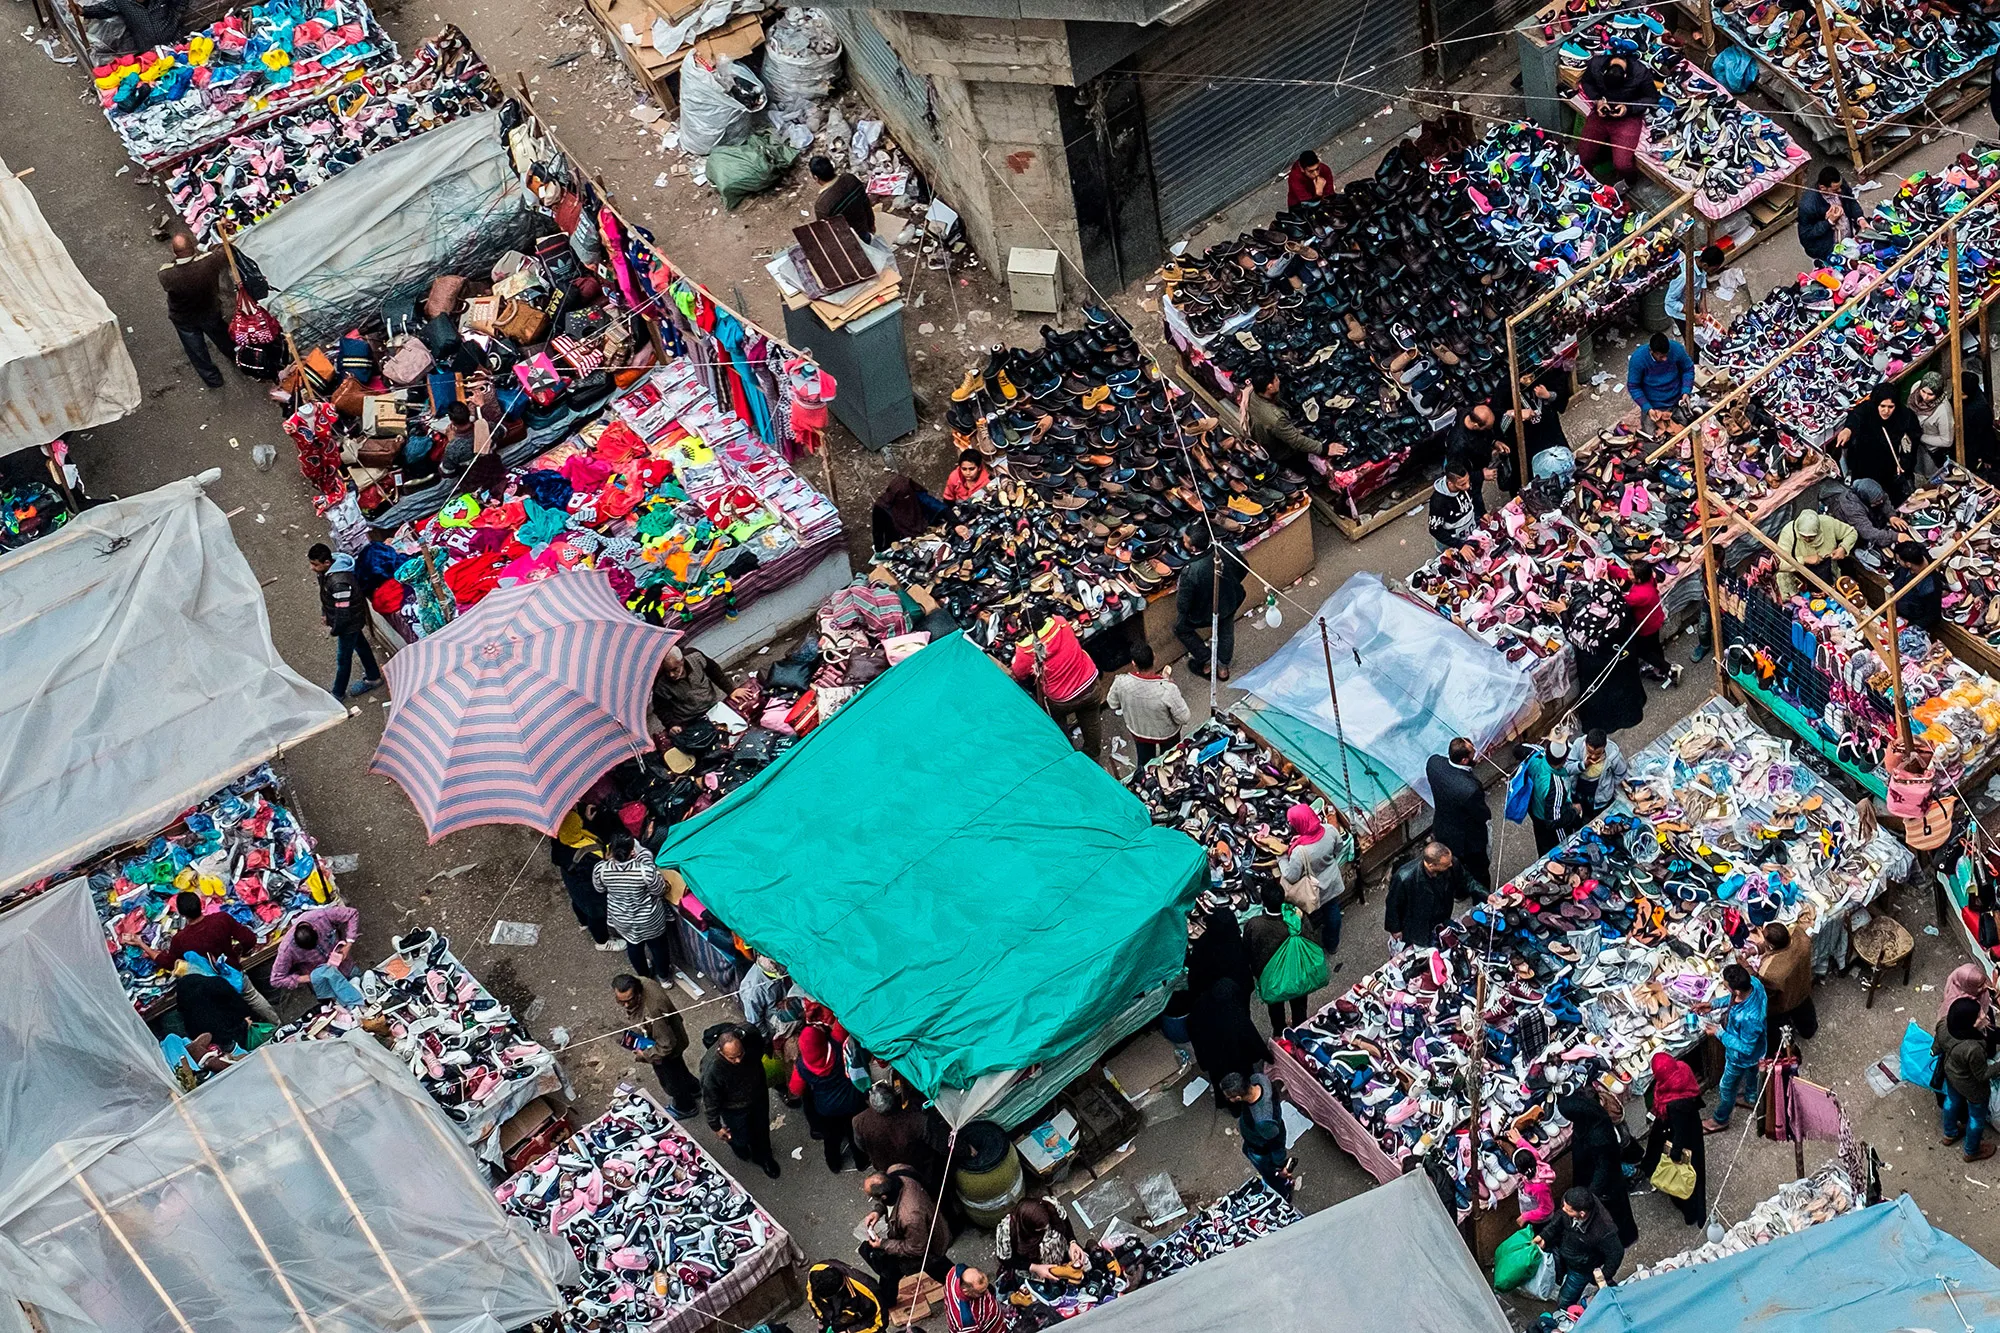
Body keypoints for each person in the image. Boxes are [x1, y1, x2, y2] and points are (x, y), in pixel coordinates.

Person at [1009, 615, 1105, 757]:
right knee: (1092, 722)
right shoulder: (1061, 623)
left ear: (1027, 629)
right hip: (1089, 685)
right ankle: (1093, 754)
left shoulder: (1026, 650)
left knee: (1058, 726)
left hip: (1062, 699)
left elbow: (1019, 673)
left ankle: (1068, 754)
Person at [1556, 1085, 1636, 1248]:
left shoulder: (1600, 1135)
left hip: (1606, 1185)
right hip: (1587, 1170)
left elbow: (1603, 1170)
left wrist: (1589, 1195)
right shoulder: (1588, 1119)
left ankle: (1621, 1240)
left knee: (1612, 1215)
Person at [614, 972, 700, 1116]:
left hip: (667, 1048)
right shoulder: (642, 981)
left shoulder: (652, 1012)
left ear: (638, 992)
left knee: (671, 1080)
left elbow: (666, 1046)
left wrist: (645, 1055)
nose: (626, 1005)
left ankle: (686, 1107)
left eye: (629, 1000)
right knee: (680, 1069)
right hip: (673, 1034)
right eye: (621, 1001)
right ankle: (695, 1088)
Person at [859, 1166, 953, 1299]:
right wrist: (878, 1211)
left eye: (872, 1197)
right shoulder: (898, 1173)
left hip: (927, 1249)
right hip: (923, 1231)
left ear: (883, 1196)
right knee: (890, 1274)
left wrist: (883, 1244)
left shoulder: (909, 1217)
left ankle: (965, 1286)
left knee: (940, 1269)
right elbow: (889, 1201)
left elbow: (916, 1248)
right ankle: (888, 1299)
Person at [158, 230, 234, 388]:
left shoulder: (166, 274)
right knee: (222, 337)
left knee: (196, 351)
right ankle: (237, 358)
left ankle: (213, 380)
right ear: (192, 247)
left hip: (183, 318)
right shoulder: (209, 262)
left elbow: (170, 277)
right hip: (210, 310)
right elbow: (224, 250)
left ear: (174, 252)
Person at [1639, 1052, 1708, 1226]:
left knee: (1683, 1174)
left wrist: (1675, 1153)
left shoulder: (1674, 1104)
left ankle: (1688, 1209)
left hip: (1680, 1137)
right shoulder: (1682, 1070)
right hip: (1693, 1128)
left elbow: (1680, 1133)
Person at [791, 1022, 870, 1172]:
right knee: (854, 1133)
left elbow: (795, 1089)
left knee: (831, 1138)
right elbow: (841, 1021)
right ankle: (861, 1162)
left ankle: (834, 1165)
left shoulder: (801, 1066)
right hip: (851, 1101)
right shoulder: (836, 1044)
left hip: (826, 1108)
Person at [703, 1028, 780, 1178]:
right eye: (732, 1058)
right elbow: (710, 1100)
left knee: (762, 1131)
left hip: (758, 1098)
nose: (738, 1060)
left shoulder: (751, 1041)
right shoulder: (712, 1071)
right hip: (734, 1109)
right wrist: (716, 1126)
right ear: (721, 1052)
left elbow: (761, 1040)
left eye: (740, 1055)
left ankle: (764, 1158)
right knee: (740, 1137)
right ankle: (739, 1146)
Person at [1172, 530, 1249, 681]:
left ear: (1193, 548)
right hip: (1230, 600)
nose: (1184, 542)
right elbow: (1243, 568)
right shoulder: (1227, 550)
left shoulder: (1191, 571)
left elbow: (1182, 605)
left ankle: (1207, 659)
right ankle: (1222, 667)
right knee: (1226, 631)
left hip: (1205, 612)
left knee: (1181, 629)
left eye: (1186, 541)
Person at [1243, 881, 1318, 1034]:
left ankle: (1280, 1032)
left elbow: (1248, 952)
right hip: (1297, 974)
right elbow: (1310, 938)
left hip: (1271, 978)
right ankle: (1300, 1028)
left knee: (1275, 1007)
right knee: (1299, 1005)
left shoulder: (1254, 925)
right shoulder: (1296, 919)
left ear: (1263, 901)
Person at [310, 543, 382, 700]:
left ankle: (337, 693)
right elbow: (326, 596)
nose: (312, 568)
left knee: (343, 659)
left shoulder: (339, 583)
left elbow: (343, 613)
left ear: (327, 563)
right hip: (351, 622)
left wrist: (336, 629)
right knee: (361, 647)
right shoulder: (328, 573)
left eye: (315, 564)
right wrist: (325, 613)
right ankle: (373, 676)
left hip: (349, 625)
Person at [594, 835, 673, 980]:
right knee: (658, 946)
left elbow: (599, 889)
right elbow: (660, 890)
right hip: (649, 919)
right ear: (632, 852)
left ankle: (644, 977)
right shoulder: (645, 872)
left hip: (622, 919)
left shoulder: (601, 870)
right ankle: (664, 978)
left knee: (634, 945)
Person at [1700, 963, 1767, 1132]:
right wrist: (1713, 1005)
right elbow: (1734, 999)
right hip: (1759, 1048)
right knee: (1753, 1073)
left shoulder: (1749, 1018)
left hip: (1740, 1058)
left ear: (1736, 990)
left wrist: (1719, 1033)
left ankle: (1720, 1120)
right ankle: (1750, 1098)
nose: (1725, 987)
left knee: (1727, 1087)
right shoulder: (1753, 983)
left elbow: (1745, 1047)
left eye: (1726, 987)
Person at [1578, 44, 1659, 182]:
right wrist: (1598, 101)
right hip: (1601, 113)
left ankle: (1629, 182)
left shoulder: (1640, 72)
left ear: (1626, 76)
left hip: (1628, 117)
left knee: (1622, 164)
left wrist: (1628, 108)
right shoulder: (1596, 64)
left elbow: (1652, 98)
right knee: (1583, 156)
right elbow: (1586, 82)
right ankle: (1584, 182)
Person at [1935, 996, 2000, 1162]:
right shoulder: (1972, 1048)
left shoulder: (1944, 1025)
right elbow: (1982, 1075)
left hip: (1951, 1073)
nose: (1984, 1016)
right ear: (1969, 1024)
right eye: (1979, 1016)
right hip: (1972, 1087)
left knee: (1951, 1101)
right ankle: (1971, 1150)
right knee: (1977, 1118)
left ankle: (1949, 1133)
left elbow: (1936, 1047)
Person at [1535, 1187, 1625, 1307]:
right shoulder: (1573, 1204)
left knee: (1565, 1299)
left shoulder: (1604, 1230)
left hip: (1581, 1268)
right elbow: (1560, 1217)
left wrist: (1602, 1276)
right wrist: (1544, 1235)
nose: (1563, 1209)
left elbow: (1616, 1253)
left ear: (1581, 1214)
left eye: (1568, 1210)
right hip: (1566, 1251)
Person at [1835, 382, 1924, 500]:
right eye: (1882, 406)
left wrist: (1904, 462)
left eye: (1890, 407)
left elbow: (1913, 441)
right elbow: (1856, 416)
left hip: (1891, 467)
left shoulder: (1905, 417)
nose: (1886, 411)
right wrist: (1848, 429)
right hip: (1866, 463)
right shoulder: (1868, 409)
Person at [1105, 641, 1189, 766]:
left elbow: (1112, 703)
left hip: (1139, 732)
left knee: (1145, 763)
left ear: (1134, 663)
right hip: (1167, 734)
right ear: (1154, 658)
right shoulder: (1168, 689)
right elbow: (1184, 717)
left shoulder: (1120, 682)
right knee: (1171, 762)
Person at [1279, 802, 1347, 953]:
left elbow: (1291, 877)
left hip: (1314, 888)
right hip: (1332, 880)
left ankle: (1317, 946)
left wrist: (1281, 859)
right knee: (1333, 909)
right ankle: (1332, 944)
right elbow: (1339, 847)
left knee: (1319, 914)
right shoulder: (1330, 830)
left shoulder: (1299, 851)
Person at [1425, 737, 1491, 891]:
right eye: (1472, 754)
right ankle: (1482, 901)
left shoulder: (1434, 763)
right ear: (1463, 760)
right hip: (1468, 839)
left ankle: (1459, 890)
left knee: (1453, 865)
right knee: (1479, 871)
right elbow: (1482, 815)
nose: (1475, 754)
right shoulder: (1469, 789)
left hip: (1442, 828)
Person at [1220, 1070, 1295, 1201]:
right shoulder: (1260, 1080)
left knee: (1269, 1174)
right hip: (1255, 1137)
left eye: (1229, 1097)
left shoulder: (1263, 1121)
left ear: (1237, 1098)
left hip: (1260, 1149)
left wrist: (1280, 1166)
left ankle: (1284, 1193)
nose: (1228, 1099)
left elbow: (1276, 1145)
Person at [268, 903, 362, 1003]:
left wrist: (348, 944)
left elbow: (352, 913)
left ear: (315, 929)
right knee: (342, 1007)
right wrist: (309, 977)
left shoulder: (320, 916)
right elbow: (276, 979)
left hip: (347, 967)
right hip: (327, 983)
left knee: (361, 987)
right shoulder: (286, 950)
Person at [1384, 842, 1470, 950]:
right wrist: (1395, 929)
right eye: (1445, 865)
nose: (1451, 865)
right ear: (1432, 865)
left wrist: (1486, 896)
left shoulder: (1451, 863)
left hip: (1440, 916)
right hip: (1416, 923)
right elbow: (1393, 904)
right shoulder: (1404, 878)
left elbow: (1468, 881)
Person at [1186, 978, 1268, 1090]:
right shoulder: (1234, 1013)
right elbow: (1251, 1036)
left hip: (1215, 1061)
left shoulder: (1199, 1010)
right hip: (1238, 1058)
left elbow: (1197, 1040)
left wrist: (1204, 1063)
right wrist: (1264, 1054)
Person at [854, 1083, 939, 1189]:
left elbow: (861, 1146)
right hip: (917, 1168)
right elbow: (937, 1143)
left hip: (884, 1167)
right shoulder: (917, 1120)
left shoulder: (859, 1121)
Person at [552, 805, 614, 948]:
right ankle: (602, 942)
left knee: (577, 901)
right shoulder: (586, 854)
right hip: (589, 889)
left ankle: (582, 922)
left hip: (571, 880)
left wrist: (588, 820)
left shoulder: (559, 841)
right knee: (596, 914)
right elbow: (599, 871)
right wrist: (608, 860)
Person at [1754, 921, 1816, 1053]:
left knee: (1776, 1022)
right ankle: (1809, 1030)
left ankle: (1780, 1047)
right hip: (1802, 985)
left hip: (1785, 1001)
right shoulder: (1800, 936)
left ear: (1770, 946)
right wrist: (1756, 949)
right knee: (1805, 1011)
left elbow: (1763, 990)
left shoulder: (1771, 972)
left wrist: (1747, 968)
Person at [1244, 370, 1328, 467]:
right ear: (1270, 387)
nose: (1279, 381)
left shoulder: (1253, 394)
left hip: (1263, 434)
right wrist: (1324, 449)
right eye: (1276, 380)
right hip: (1281, 451)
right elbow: (1296, 441)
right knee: (1300, 462)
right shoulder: (1276, 418)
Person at [1773, 508, 1858, 599]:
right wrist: (1805, 559)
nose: (1807, 539)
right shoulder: (1788, 533)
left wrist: (1843, 548)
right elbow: (1779, 563)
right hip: (1799, 576)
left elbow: (1851, 533)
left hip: (1828, 571)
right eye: (1804, 536)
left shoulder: (1828, 523)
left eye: (1812, 537)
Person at [992, 1198, 1081, 1281]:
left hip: (1060, 1255)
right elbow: (1006, 1260)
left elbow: (1065, 1222)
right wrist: (1034, 1267)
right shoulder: (1007, 1230)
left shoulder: (1050, 1205)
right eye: (1041, 1228)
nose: (1046, 1228)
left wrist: (1072, 1242)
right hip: (1034, 1273)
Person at [1623, 561, 1680, 686]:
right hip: (1655, 619)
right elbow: (1625, 574)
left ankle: (1668, 668)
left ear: (1638, 579)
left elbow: (1624, 601)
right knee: (1654, 645)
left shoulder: (1640, 594)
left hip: (1646, 625)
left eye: (1631, 573)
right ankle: (1660, 670)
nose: (1628, 572)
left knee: (1641, 650)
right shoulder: (1648, 579)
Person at [652, 644, 734, 731]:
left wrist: (731, 690)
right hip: (689, 721)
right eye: (667, 671)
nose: (671, 675)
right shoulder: (661, 683)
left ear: (682, 661)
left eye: (674, 669)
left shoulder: (695, 657)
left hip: (713, 708)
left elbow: (714, 671)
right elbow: (661, 708)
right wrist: (672, 725)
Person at [1626, 333, 1694, 437]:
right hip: (1654, 405)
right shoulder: (1638, 359)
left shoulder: (1676, 349)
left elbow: (1688, 368)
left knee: (1686, 428)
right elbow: (1633, 386)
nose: (1665, 359)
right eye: (1661, 356)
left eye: (1666, 355)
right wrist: (1647, 408)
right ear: (1651, 351)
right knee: (1652, 436)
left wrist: (1685, 391)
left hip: (1676, 400)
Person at [1515, 738, 1574, 855]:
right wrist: (1574, 811)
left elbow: (1517, 749)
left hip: (1536, 813)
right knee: (1562, 848)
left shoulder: (1535, 755)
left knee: (1542, 844)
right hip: (1548, 821)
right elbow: (1553, 822)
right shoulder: (1556, 786)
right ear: (1564, 760)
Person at [1447, 402, 1505, 520]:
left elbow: (1485, 435)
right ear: (1476, 426)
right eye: (1486, 428)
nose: (1488, 430)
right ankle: (1479, 518)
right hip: (1471, 468)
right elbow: (1458, 476)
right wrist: (1481, 475)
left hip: (1479, 459)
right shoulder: (1458, 446)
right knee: (1473, 493)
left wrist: (1493, 442)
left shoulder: (1469, 412)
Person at [174, 972, 255, 1051]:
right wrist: (245, 1022)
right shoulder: (217, 984)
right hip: (232, 1034)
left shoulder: (184, 996)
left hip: (205, 1042)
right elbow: (240, 1005)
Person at [1821, 476, 1902, 554]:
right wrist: (1895, 537)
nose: (1881, 502)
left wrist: (1892, 516)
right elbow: (1867, 532)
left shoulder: (1871, 490)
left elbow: (1883, 499)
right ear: (1864, 498)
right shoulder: (1852, 508)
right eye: (1877, 501)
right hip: (1846, 520)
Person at [1798, 165, 1861, 264]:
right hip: (1828, 248)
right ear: (1823, 188)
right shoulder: (1808, 205)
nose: (1840, 191)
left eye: (1840, 187)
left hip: (1848, 238)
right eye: (1835, 190)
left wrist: (1860, 218)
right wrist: (1829, 221)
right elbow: (1806, 235)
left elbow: (1850, 200)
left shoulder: (1838, 183)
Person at [1563, 730, 1628, 820]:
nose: (1593, 756)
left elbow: (1620, 773)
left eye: (1597, 754)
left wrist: (1609, 787)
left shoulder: (1613, 755)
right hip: (1579, 786)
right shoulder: (1578, 745)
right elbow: (1567, 769)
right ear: (1585, 744)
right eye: (1589, 752)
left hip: (1599, 791)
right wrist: (1584, 764)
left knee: (1595, 816)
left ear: (1604, 747)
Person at [807, 1260, 885, 1333]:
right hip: (839, 1320)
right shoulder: (815, 1274)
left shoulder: (868, 1290)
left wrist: (849, 1331)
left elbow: (879, 1323)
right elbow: (813, 1300)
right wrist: (822, 1321)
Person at [80, 0, 190, 52]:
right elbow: (102, 9)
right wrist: (83, 11)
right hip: (150, 52)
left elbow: (181, 3)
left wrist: (178, 14)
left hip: (177, 43)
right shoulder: (122, 2)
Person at [810, 155, 875, 241]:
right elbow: (866, 203)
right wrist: (871, 224)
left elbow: (828, 232)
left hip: (851, 241)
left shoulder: (822, 205)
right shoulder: (850, 179)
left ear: (816, 178)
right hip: (865, 229)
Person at [738, 954, 797, 1040]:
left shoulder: (770, 958)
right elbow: (755, 1022)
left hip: (785, 998)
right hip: (772, 1016)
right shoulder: (752, 993)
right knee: (794, 1022)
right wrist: (766, 1037)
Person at [1663, 244, 1725, 325]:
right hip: (1679, 311)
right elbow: (1669, 300)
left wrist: (1703, 307)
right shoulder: (1684, 277)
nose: (1714, 272)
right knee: (1686, 328)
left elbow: (1703, 279)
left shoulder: (1700, 257)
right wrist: (1693, 315)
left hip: (1692, 301)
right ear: (1705, 265)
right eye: (1713, 269)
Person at [1428, 463, 1479, 551]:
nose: (1467, 486)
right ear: (1450, 483)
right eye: (1462, 484)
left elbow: (1475, 499)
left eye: (1468, 481)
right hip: (1451, 545)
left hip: (1470, 535)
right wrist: (1459, 545)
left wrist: (1481, 514)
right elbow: (1435, 530)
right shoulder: (1438, 502)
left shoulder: (1466, 485)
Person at [1911, 373, 1952, 480]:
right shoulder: (1916, 388)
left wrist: (1920, 436)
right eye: (1923, 391)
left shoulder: (1943, 411)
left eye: (1930, 394)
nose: (1924, 397)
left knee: (1931, 476)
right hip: (1914, 442)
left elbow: (1947, 440)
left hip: (1929, 449)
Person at [942, 1264, 1003, 1333]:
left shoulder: (956, 1271)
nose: (987, 1292)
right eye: (982, 1292)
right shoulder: (966, 1321)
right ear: (966, 1291)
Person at [1513, 1143, 1556, 1224]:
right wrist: (1519, 1141)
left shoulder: (1539, 1188)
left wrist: (1525, 1216)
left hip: (1542, 1219)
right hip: (1531, 1208)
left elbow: (1546, 1209)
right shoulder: (1535, 1162)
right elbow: (1533, 1151)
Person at [1965, 374, 1998, 477]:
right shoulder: (1969, 398)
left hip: (1975, 447)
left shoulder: (1981, 409)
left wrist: (1987, 458)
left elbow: (1986, 435)